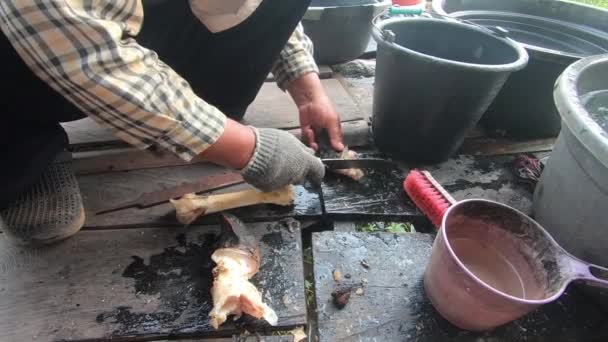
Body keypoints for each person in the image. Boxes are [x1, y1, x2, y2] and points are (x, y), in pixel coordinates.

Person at [0, 0, 344, 245]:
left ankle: (201, 123)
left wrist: (306, 86)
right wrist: (253, 151)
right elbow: (85, 54)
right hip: (32, 35)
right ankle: (28, 147)